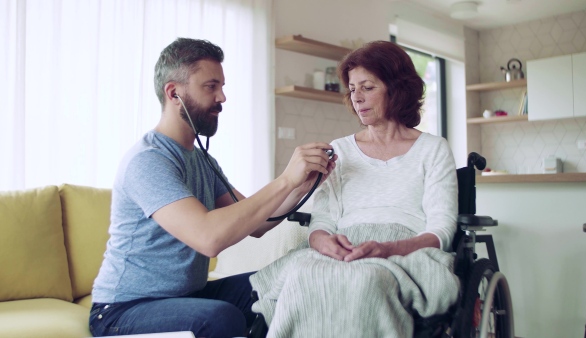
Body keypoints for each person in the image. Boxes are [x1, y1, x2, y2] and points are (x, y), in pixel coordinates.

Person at [89, 37, 336, 338]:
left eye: (222, 86)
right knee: (220, 319)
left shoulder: (202, 160)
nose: (222, 97)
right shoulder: (148, 160)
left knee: (289, 281)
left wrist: (300, 186)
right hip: (123, 310)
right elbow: (208, 238)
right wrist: (284, 179)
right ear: (174, 93)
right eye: (211, 86)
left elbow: (258, 225)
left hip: (190, 296)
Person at [249, 41, 460, 337]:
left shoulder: (433, 149)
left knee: (368, 280)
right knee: (302, 273)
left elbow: (441, 231)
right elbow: (322, 223)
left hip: (404, 250)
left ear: (396, 88)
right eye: (352, 89)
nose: (357, 98)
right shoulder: (339, 150)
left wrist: (386, 249)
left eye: (368, 87)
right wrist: (324, 243)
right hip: (343, 246)